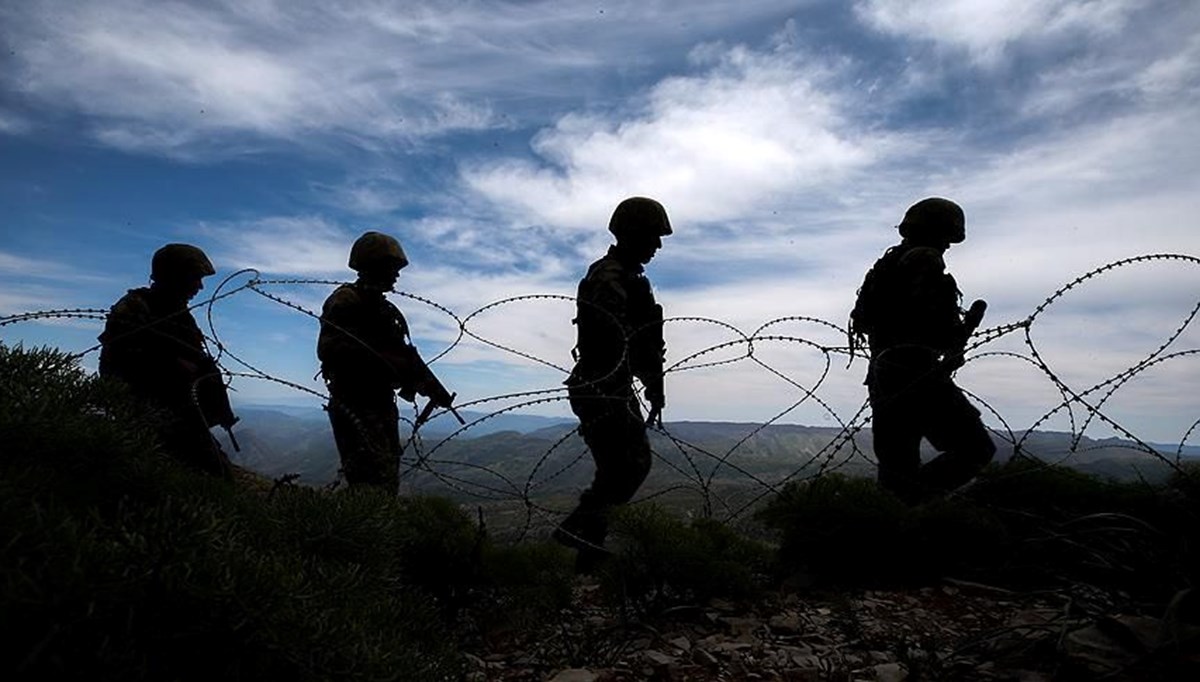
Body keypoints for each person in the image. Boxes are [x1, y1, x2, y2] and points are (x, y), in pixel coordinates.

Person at [849, 197, 996, 504]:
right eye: (948, 238)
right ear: (940, 232)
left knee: (896, 468)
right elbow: (932, 324)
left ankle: (890, 521)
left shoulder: (885, 266)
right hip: (916, 374)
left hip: (883, 377)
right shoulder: (925, 259)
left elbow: (864, 319)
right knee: (975, 448)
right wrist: (955, 338)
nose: (948, 247)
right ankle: (912, 505)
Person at [555, 197, 671, 570]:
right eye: (653, 236)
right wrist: (649, 374)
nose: (658, 245)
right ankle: (579, 535)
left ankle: (587, 552)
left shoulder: (632, 278)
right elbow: (619, 336)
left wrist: (654, 381)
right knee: (630, 465)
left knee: (620, 468)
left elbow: (643, 339)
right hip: (601, 385)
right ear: (633, 233)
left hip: (611, 385)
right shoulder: (609, 277)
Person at [317, 231, 454, 492]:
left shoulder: (384, 309)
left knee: (386, 474)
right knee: (369, 481)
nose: (396, 275)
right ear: (373, 266)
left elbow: (400, 354)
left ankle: (373, 525)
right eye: (391, 268)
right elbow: (329, 349)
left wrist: (417, 379)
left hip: (379, 402)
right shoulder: (347, 300)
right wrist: (386, 362)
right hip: (355, 402)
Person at [98, 243, 238, 479]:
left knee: (216, 472)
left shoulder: (180, 316)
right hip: (146, 412)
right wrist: (175, 367)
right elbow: (121, 362)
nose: (200, 286)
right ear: (175, 275)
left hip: (180, 411)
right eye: (195, 277)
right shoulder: (135, 308)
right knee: (211, 473)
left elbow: (198, 362)